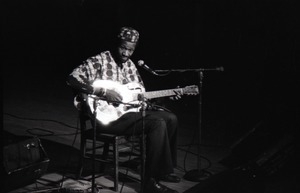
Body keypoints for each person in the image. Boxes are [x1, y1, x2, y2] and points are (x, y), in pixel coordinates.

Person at [67, 27, 181, 193]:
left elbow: (140, 97)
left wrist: (167, 96)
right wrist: (103, 91)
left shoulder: (130, 66)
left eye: (130, 50)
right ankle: (149, 182)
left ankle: (163, 170)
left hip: (127, 115)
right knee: (157, 123)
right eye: (123, 47)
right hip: (105, 120)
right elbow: (72, 78)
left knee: (170, 118)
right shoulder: (100, 60)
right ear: (116, 43)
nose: (126, 53)